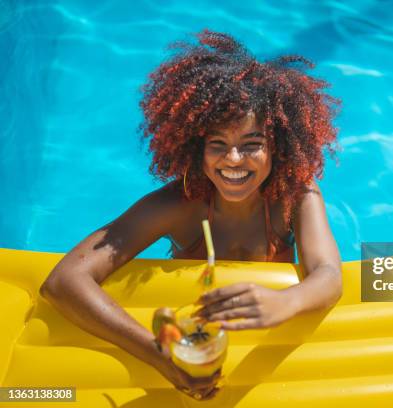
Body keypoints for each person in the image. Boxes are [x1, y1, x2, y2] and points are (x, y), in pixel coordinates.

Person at [39, 29, 343, 400]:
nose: (233, 160)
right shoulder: (177, 205)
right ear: (196, 149)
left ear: (277, 150)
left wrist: (286, 301)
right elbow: (64, 280)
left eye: (252, 146)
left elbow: (329, 274)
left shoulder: (295, 195)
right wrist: (157, 354)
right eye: (218, 145)